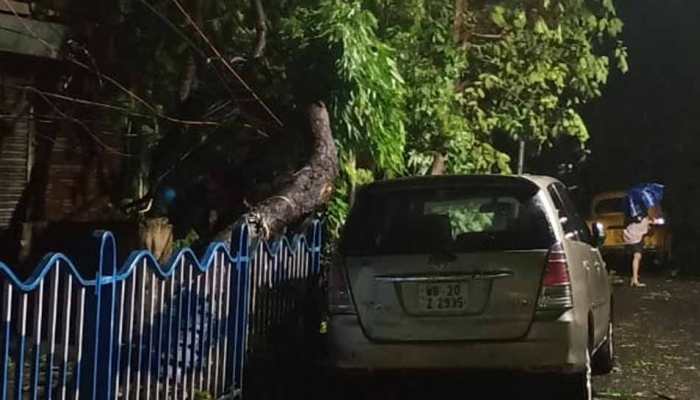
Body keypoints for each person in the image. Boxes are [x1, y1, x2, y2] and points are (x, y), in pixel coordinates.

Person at [623, 213, 651, 287]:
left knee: (636, 257)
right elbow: (645, 228)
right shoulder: (640, 215)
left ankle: (634, 277)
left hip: (631, 237)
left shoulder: (630, 214)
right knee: (637, 256)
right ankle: (635, 279)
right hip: (636, 238)